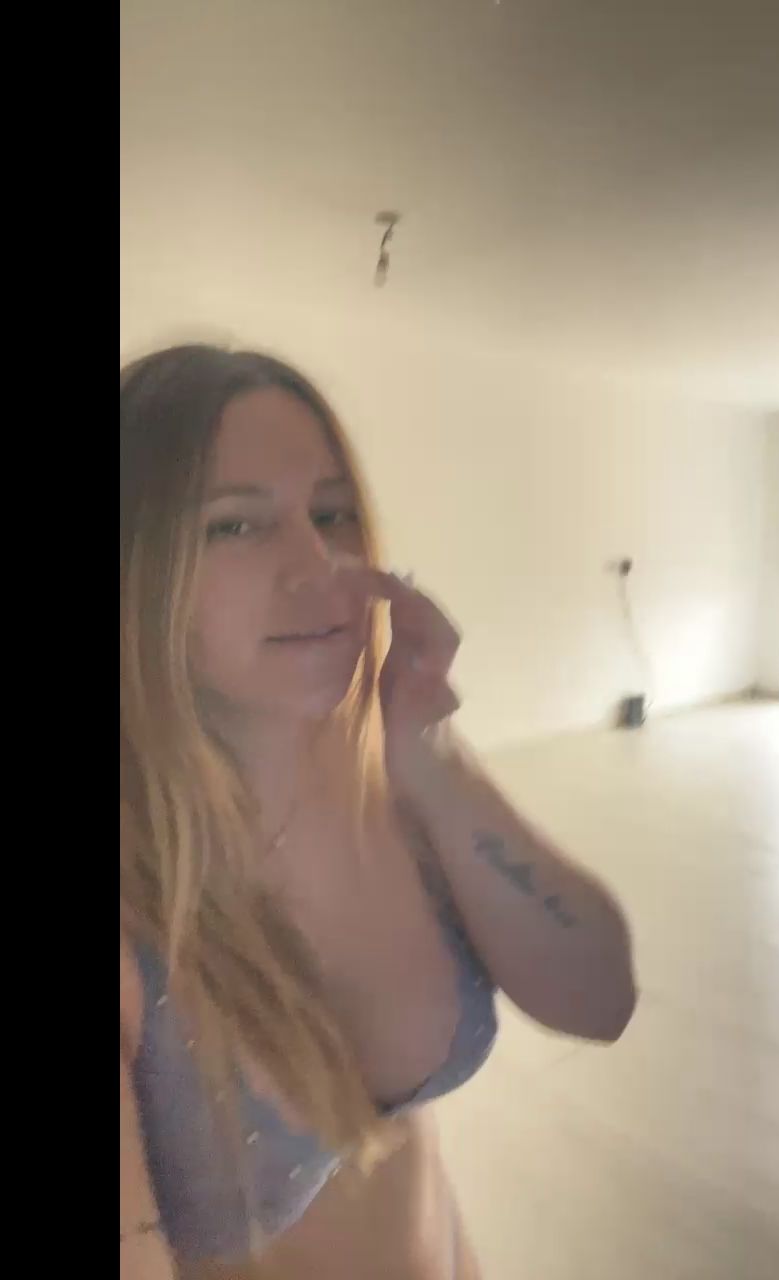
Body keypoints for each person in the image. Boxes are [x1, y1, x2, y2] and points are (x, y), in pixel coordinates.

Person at [119, 345, 637, 1280]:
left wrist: (429, 754)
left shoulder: (398, 784)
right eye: (235, 525)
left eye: (332, 514)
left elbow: (602, 999)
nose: (319, 566)